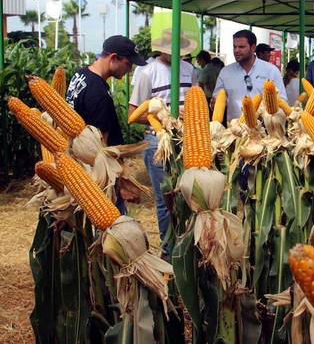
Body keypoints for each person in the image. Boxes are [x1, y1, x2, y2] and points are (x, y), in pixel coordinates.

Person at [128, 29, 197, 255]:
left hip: (186, 139)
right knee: (165, 199)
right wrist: (164, 116)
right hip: (158, 141)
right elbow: (133, 113)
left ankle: (188, 247)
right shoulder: (147, 72)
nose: (174, 53)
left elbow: (197, 102)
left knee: (189, 196)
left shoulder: (189, 70)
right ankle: (169, 250)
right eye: (169, 48)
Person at [66, 35, 147, 214]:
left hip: (79, 169)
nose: (130, 68)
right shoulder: (98, 93)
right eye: (128, 63)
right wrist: (120, 185)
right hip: (99, 178)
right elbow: (101, 148)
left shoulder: (80, 75)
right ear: (113, 58)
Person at [213, 30, 287, 122]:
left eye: (241, 47)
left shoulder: (271, 71)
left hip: (264, 131)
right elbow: (215, 102)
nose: (236, 50)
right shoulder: (225, 72)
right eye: (234, 47)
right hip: (234, 131)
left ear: (253, 48)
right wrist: (214, 103)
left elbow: (282, 101)